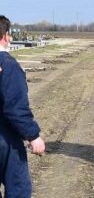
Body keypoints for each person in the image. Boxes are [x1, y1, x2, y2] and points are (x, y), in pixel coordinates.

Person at [0, 15, 45, 197]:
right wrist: (33, 136)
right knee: (18, 189)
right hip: (5, 139)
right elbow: (14, 107)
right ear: (6, 36)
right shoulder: (8, 65)